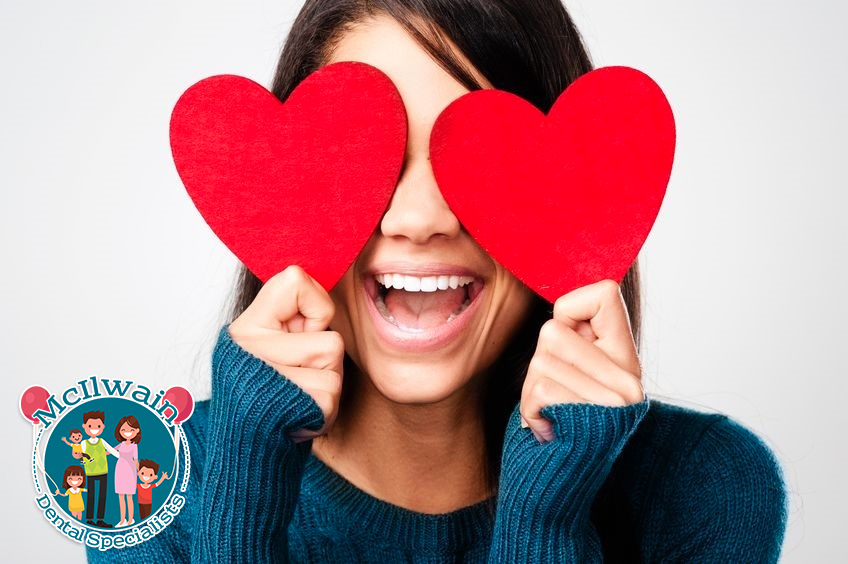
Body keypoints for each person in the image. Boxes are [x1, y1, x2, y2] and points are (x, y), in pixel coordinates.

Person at [88, 0, 787, 561]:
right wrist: (240, 500)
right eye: (370, 155)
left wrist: (546, 522)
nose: (419, 218)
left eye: (479, 160)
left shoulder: (705, 486)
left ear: (567, 195)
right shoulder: (149, 483)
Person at [79, 410, 118, 528]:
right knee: (91, 496)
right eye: (90, 426)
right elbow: (78, 454)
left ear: (102, 427)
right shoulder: (84, 443)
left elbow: (112, 451)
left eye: (98, 426)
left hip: (103, 472)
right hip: (90, 473)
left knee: (102, 496)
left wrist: (125, 459)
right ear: (85, 427)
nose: (94, 428)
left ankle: (100, 519)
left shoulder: (102, 441)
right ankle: (90, 518)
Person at [113, 415, 142, 527]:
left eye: (131, 430)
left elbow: (136, 460)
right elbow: (110, 451)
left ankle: (130, 519)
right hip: (120, 469)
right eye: (123, 430)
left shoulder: (134, 446)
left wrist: (139, 471)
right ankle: (122, 520)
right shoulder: (122, 444)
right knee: (121, 496)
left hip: (130, 470)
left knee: (129, 497)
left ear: (137, 431)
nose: (127, 432)